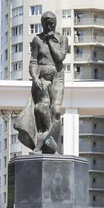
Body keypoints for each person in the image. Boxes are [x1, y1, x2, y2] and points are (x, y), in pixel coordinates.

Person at [14, 11, 69, 154]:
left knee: (56, 112)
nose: (49, 26)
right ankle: (50, 146)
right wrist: (35, 77)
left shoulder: (62, 39)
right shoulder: (37, 39)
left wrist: (51, 41)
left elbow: (60, 57)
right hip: (42, 78)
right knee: (41, 109)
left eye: (51, 23)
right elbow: (33, 61)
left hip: (57, 77)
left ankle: (42, 146)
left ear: (55, 22)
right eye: (46, 23)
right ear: (42, 23)